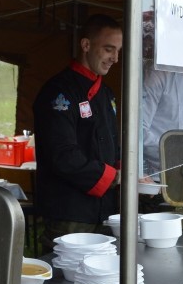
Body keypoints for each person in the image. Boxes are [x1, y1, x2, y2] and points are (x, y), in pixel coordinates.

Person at [32, 14, 122, 254]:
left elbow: (114, 143)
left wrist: (127, 170)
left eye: (118, 51)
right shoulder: (59, 91)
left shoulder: (106, 93)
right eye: (108, 49)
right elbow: (62, 155)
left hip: (105, 212)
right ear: (86, 45)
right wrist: (111, 177)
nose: (115, 58)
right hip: (69, 213)